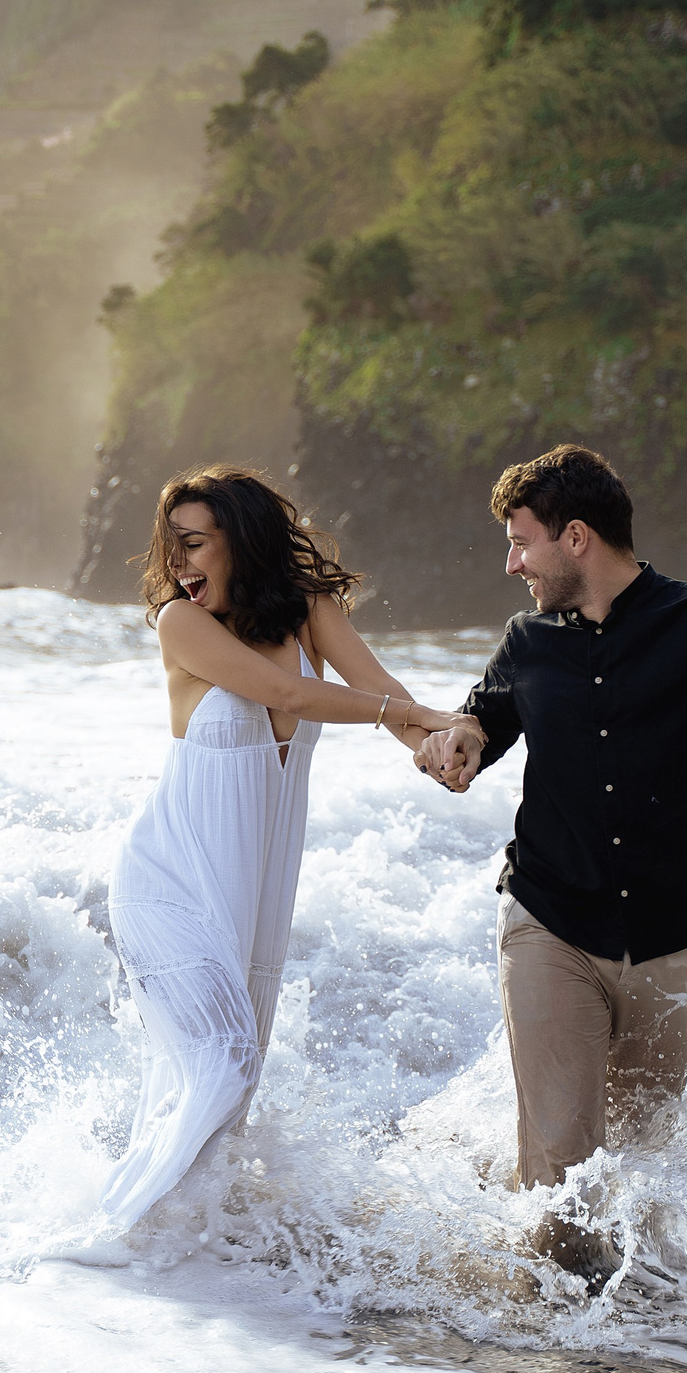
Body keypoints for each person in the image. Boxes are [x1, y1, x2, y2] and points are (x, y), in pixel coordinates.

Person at [414, 444, 687, 1285]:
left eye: (522, 541)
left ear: (575, 537)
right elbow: (484, 722)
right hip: (550, 922)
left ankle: (643, 1353)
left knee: (641, 1181)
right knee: (563, 1184)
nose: (513, 564)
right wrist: (461, 736)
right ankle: (554, 1372)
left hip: (668, 941)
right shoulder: (527, 639)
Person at [102, 466, 467, 1230]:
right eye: (169, 549)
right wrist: (409, 713)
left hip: (250, 901)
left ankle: (191, 1268)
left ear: (241, 539)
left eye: (193, 545)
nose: (178, 566)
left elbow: (377, 689)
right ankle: (109, 1241)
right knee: (223, 1063)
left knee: (230, 1094)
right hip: (167, 885)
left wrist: (440, 742)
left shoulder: (308, 610)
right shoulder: (181, 624)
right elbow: (292, 696)